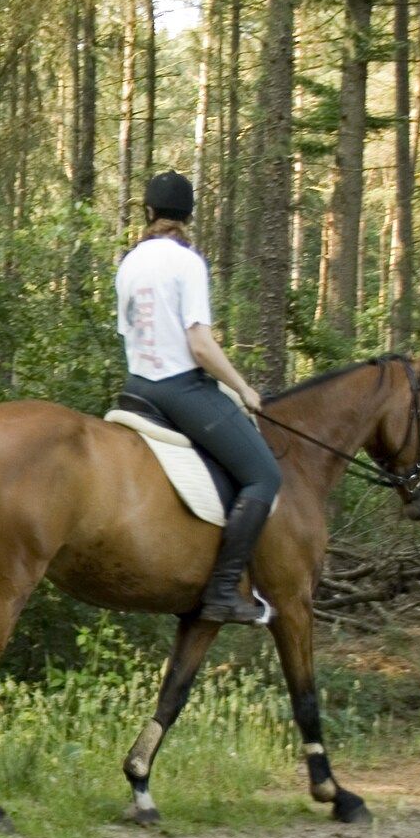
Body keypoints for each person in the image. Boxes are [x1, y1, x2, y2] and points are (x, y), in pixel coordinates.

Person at [115, 171, 281, 624]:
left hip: (135, 387)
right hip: (179, 389)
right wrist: (244, 388)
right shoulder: (188, 262)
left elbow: (129, 332)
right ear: (187, 217)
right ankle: (224, 591)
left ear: (148, 212)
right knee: (265, 476)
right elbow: (201, 346)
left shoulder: (129, 262)